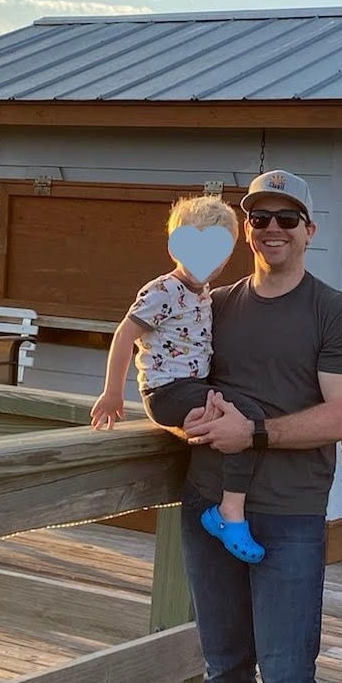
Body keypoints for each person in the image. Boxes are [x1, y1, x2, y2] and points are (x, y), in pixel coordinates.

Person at [170, 169, 342, 683]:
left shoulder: (332, 311)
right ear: (245, 230)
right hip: (206, 508)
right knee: (224, 672)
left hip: (287, 518)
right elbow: (168, 372)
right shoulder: (213, 303)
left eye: (288, 218)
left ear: (310, 230)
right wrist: (191, 421)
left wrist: (252, 434)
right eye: (260, 218)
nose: (273, 228)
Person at [91, 194, 266, 562]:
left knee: (240, 421)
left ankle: (226, 509)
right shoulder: (163, 290)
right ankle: (229, 513)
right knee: (246, 417)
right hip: (166, 391)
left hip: (190, 388)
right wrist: (112, 393)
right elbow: (125, 335)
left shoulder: (202, 293)